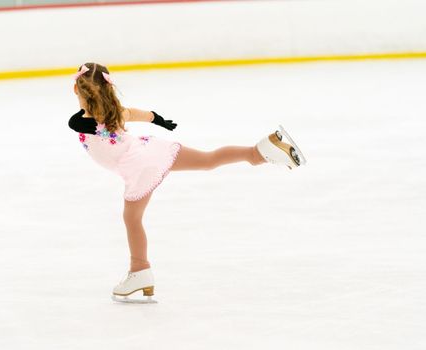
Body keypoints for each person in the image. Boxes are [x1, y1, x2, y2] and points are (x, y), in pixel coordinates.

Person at [68, 62, 306, 303]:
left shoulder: (78, 122)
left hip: (138, 165)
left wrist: (150, 118)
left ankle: (140, 271)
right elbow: (143, 114)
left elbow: (90, 120)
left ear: (77, 89)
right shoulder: (116, 111)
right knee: (208, 160)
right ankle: (259, 152)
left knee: (132, 219)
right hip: (152, 149)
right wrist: (158, 120)